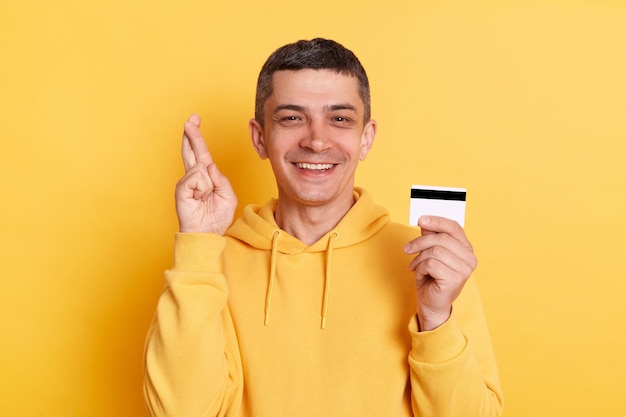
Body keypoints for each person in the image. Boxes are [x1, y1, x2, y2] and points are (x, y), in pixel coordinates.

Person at [143, 38, 503, 417]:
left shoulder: (429, 261)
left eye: (340, 119)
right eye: (292, 117)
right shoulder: (210, 261)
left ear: (366, 138)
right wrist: (199, 246)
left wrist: (435, 320)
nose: (316, 140)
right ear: (259, 137)